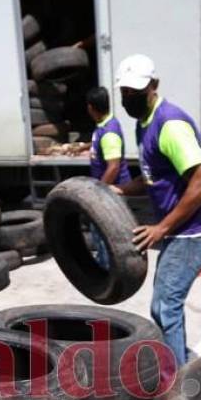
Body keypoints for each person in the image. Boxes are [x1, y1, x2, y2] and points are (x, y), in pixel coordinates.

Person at [111, 54, 201, 370]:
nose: (129, 98)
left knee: (165, 306)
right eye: (125, 93)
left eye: (136, 91)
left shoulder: (169, 125)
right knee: (163, 306)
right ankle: (183, 362)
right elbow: (152, 176)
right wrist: (118, 190)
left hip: (196, 231)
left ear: (154, 85)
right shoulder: (142, 125)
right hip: (179, 229)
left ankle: (175, 383)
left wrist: (160, 228)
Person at [84, 87, 130, 269]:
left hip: (111, 192)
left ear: (90, 108)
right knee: (100, 233)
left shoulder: (109, 133)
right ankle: (105, 265)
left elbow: (113, 166)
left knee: (105, 234)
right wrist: (84, 147)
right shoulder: (104, 124)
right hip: (107, 190)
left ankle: (106, 270)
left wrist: (97, 193)